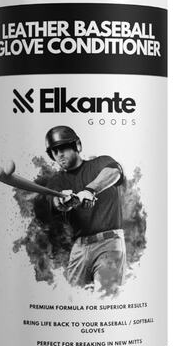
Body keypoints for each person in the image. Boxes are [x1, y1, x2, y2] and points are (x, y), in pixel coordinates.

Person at [45, 125, 126, 295]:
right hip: (79, 250)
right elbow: (55, 202)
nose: (59, 154)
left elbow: (114, 172)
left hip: (109, 243)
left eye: (63, 148)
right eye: (54, 151)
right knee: (72, 298)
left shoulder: (100, 163)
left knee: (105, 296)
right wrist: (64, 202)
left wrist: (90, 190)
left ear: (77, 146)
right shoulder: (56, 182)